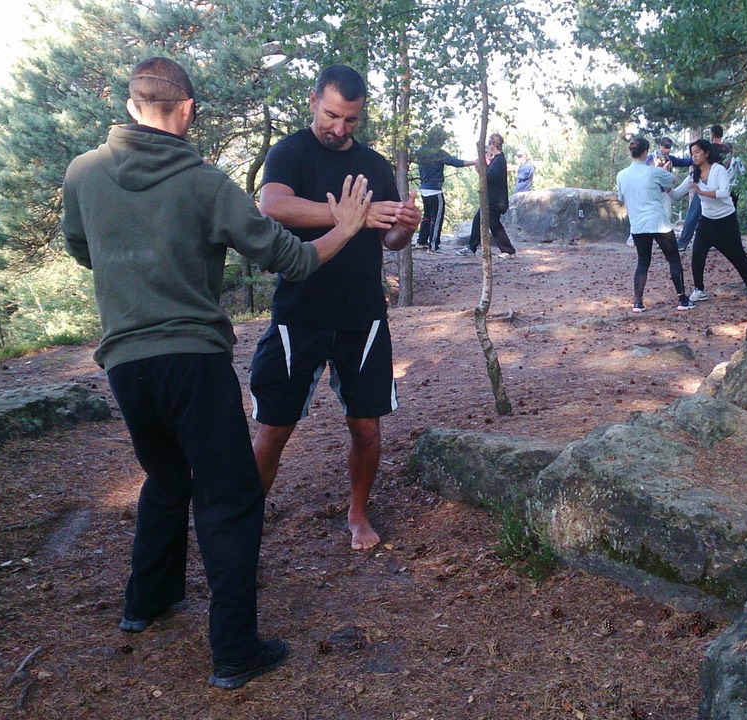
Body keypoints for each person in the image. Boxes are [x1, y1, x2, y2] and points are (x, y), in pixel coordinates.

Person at [62, 57, 374, 689]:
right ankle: (234, 651)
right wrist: (344, 227)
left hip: (124, 362)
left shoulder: (82, 174)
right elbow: (291, 257)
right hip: (193, 361)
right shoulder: (204, 183)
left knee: (166, 475)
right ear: (187, 110)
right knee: (230, 497)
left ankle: (145, 603)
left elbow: (81, 248)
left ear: (131, 107)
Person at [249, 64, 421, 553]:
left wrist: (404, 224)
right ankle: (245, 521)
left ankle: (358, 514)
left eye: (350, 120)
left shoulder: (376, 164)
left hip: (362, 316)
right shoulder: (290, 152)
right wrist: (349, 216)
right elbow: (273, 206)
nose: (339, 128)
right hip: (299, 311)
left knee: (366, 426)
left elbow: (390, 239)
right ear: (312, 101)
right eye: (331, 115)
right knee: (275, 428)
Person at [669, 139, 747, 304]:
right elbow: (676, 195)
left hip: (726, 220)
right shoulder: (693, 175)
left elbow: (724, 193)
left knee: (738, 256)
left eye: (697, 152)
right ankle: (699, 290)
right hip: (707, 221)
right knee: (697, 255)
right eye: (692, 154)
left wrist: (701, 192)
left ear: (706, 153)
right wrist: (666, 185)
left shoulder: (718, 169)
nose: (694, 156)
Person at [616, 137, 694, 313]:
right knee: (673, 259)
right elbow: (673, 181)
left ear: (631, 152)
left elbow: (621, 198)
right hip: (659, 224)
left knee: (643, 262)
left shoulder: (621, 175)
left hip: (638, 226)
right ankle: (682, 299)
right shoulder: (653, 172)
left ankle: (638, 302)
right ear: (645, 152)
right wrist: (662, 170)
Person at [414, 126, 475, 252]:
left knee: (427, 216)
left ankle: (421, 241)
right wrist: (475, 162)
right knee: (436, 218)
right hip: (435, 190)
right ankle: (433, 245)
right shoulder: (439, 153)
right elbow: (456, 162)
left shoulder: (421, 151)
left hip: (423, 189)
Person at [457, 133, 515, 258]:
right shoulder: (497, 160)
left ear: (494, 144)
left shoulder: (499, 160)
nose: (488, 146)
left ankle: (472, 248)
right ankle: (508, 250)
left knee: (480, 220)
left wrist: (480, 168)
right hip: (494, 199)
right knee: (493, 224)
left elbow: (490, 177)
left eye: (489, 143)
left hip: (495, 200)